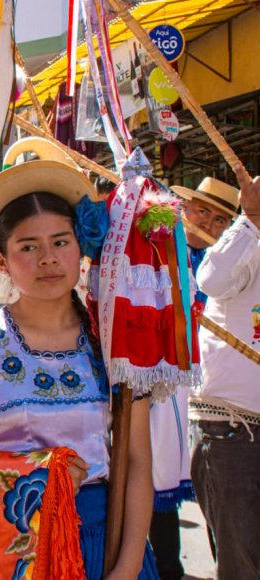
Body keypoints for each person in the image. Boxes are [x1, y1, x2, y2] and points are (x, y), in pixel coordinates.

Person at [0, 161, 158, 579]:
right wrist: (38, 473)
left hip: (99, 539)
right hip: (3, 541)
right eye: (28, 247)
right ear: (1, 260)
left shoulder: (115, 344)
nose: (48, 259)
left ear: (80, 248)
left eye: (60, 241)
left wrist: (128, 566)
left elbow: (138, 461)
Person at [146, 176, 239, 579]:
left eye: (221, 220)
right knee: (155, 478)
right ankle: (167, 565)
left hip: (212, 394)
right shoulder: (160, 245)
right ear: (185, 209)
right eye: (203, 211)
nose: (211, 224)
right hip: (160, 384)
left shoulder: (231, 267)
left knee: (220, 490)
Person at [190, 164, 260, 578]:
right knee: (243, 566)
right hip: (233, 432)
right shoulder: (246, 243)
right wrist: (250, 221)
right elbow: (212, 280)